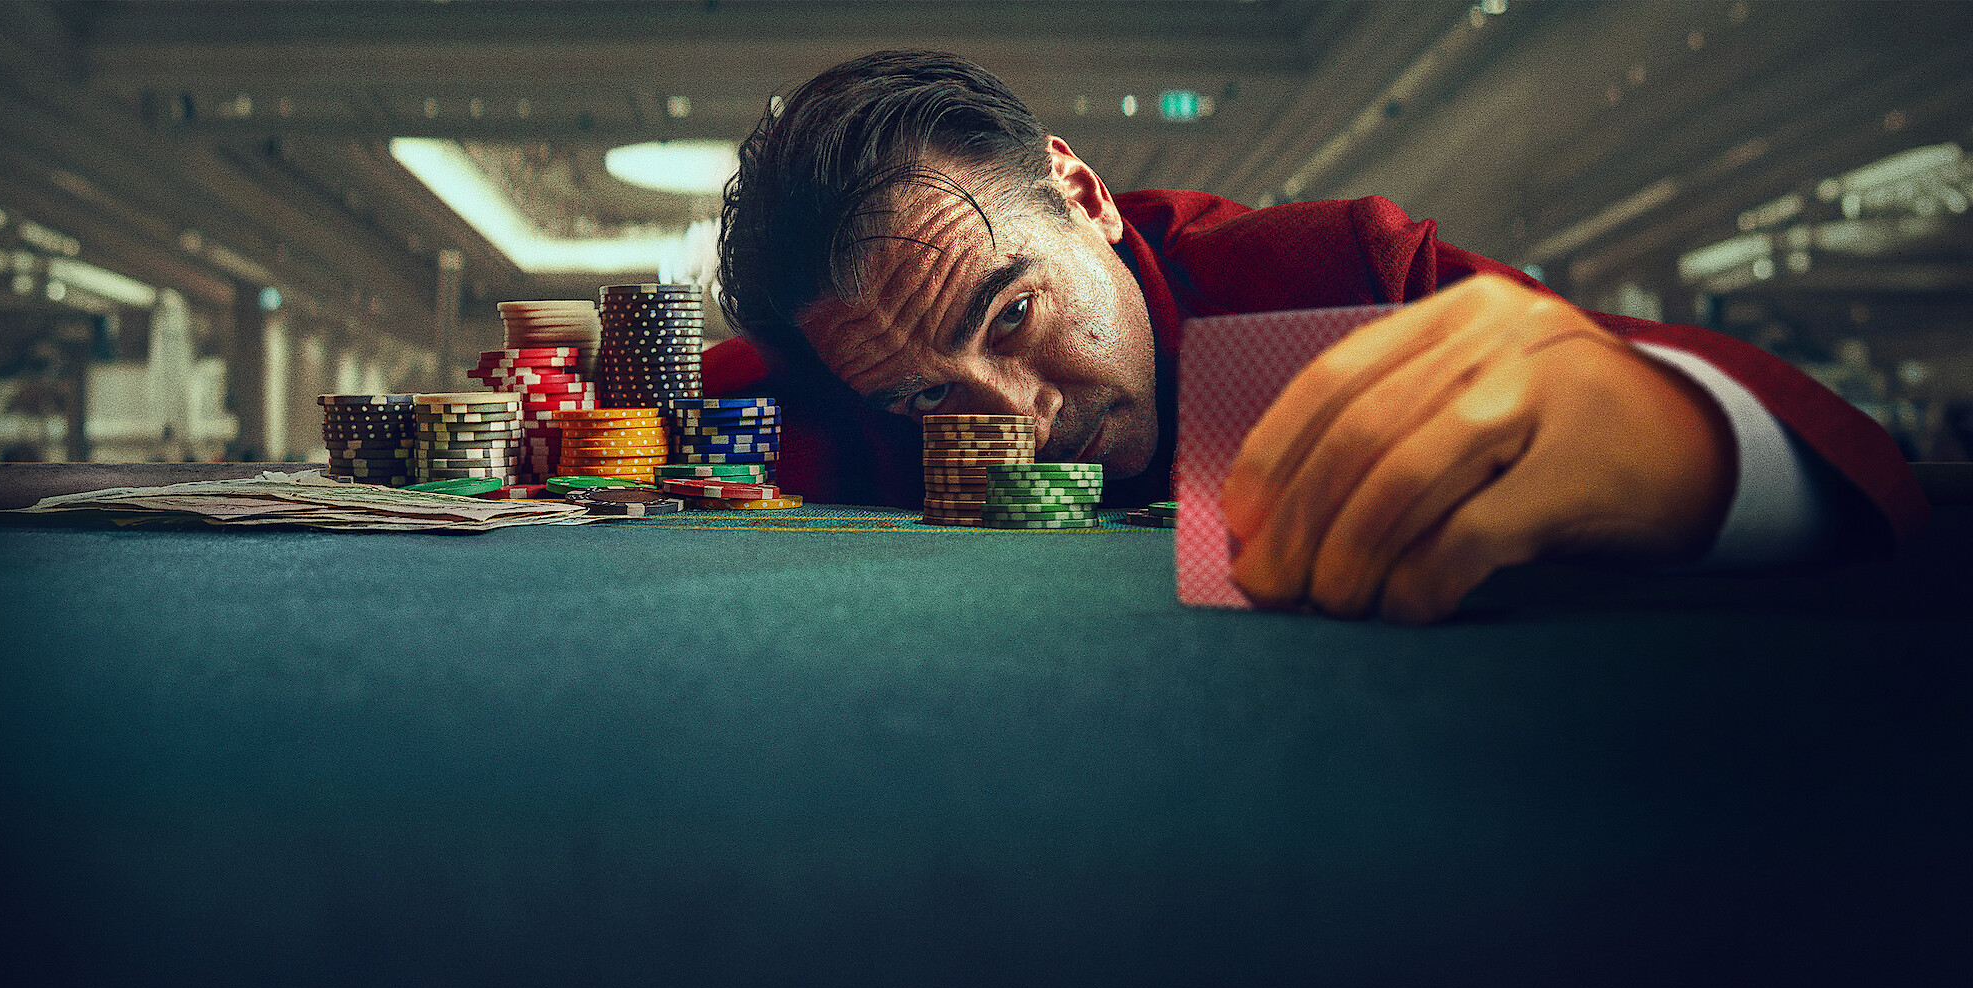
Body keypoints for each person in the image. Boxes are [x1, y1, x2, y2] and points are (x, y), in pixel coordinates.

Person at [701, 50, 1928, 623]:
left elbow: (1857, 463)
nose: (1010, 426)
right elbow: (690, 399)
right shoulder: (840, 377)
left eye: (1011, 314)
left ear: (1082, 195)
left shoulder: (1328, 276)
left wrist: (1675, 444)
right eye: (926, 400)